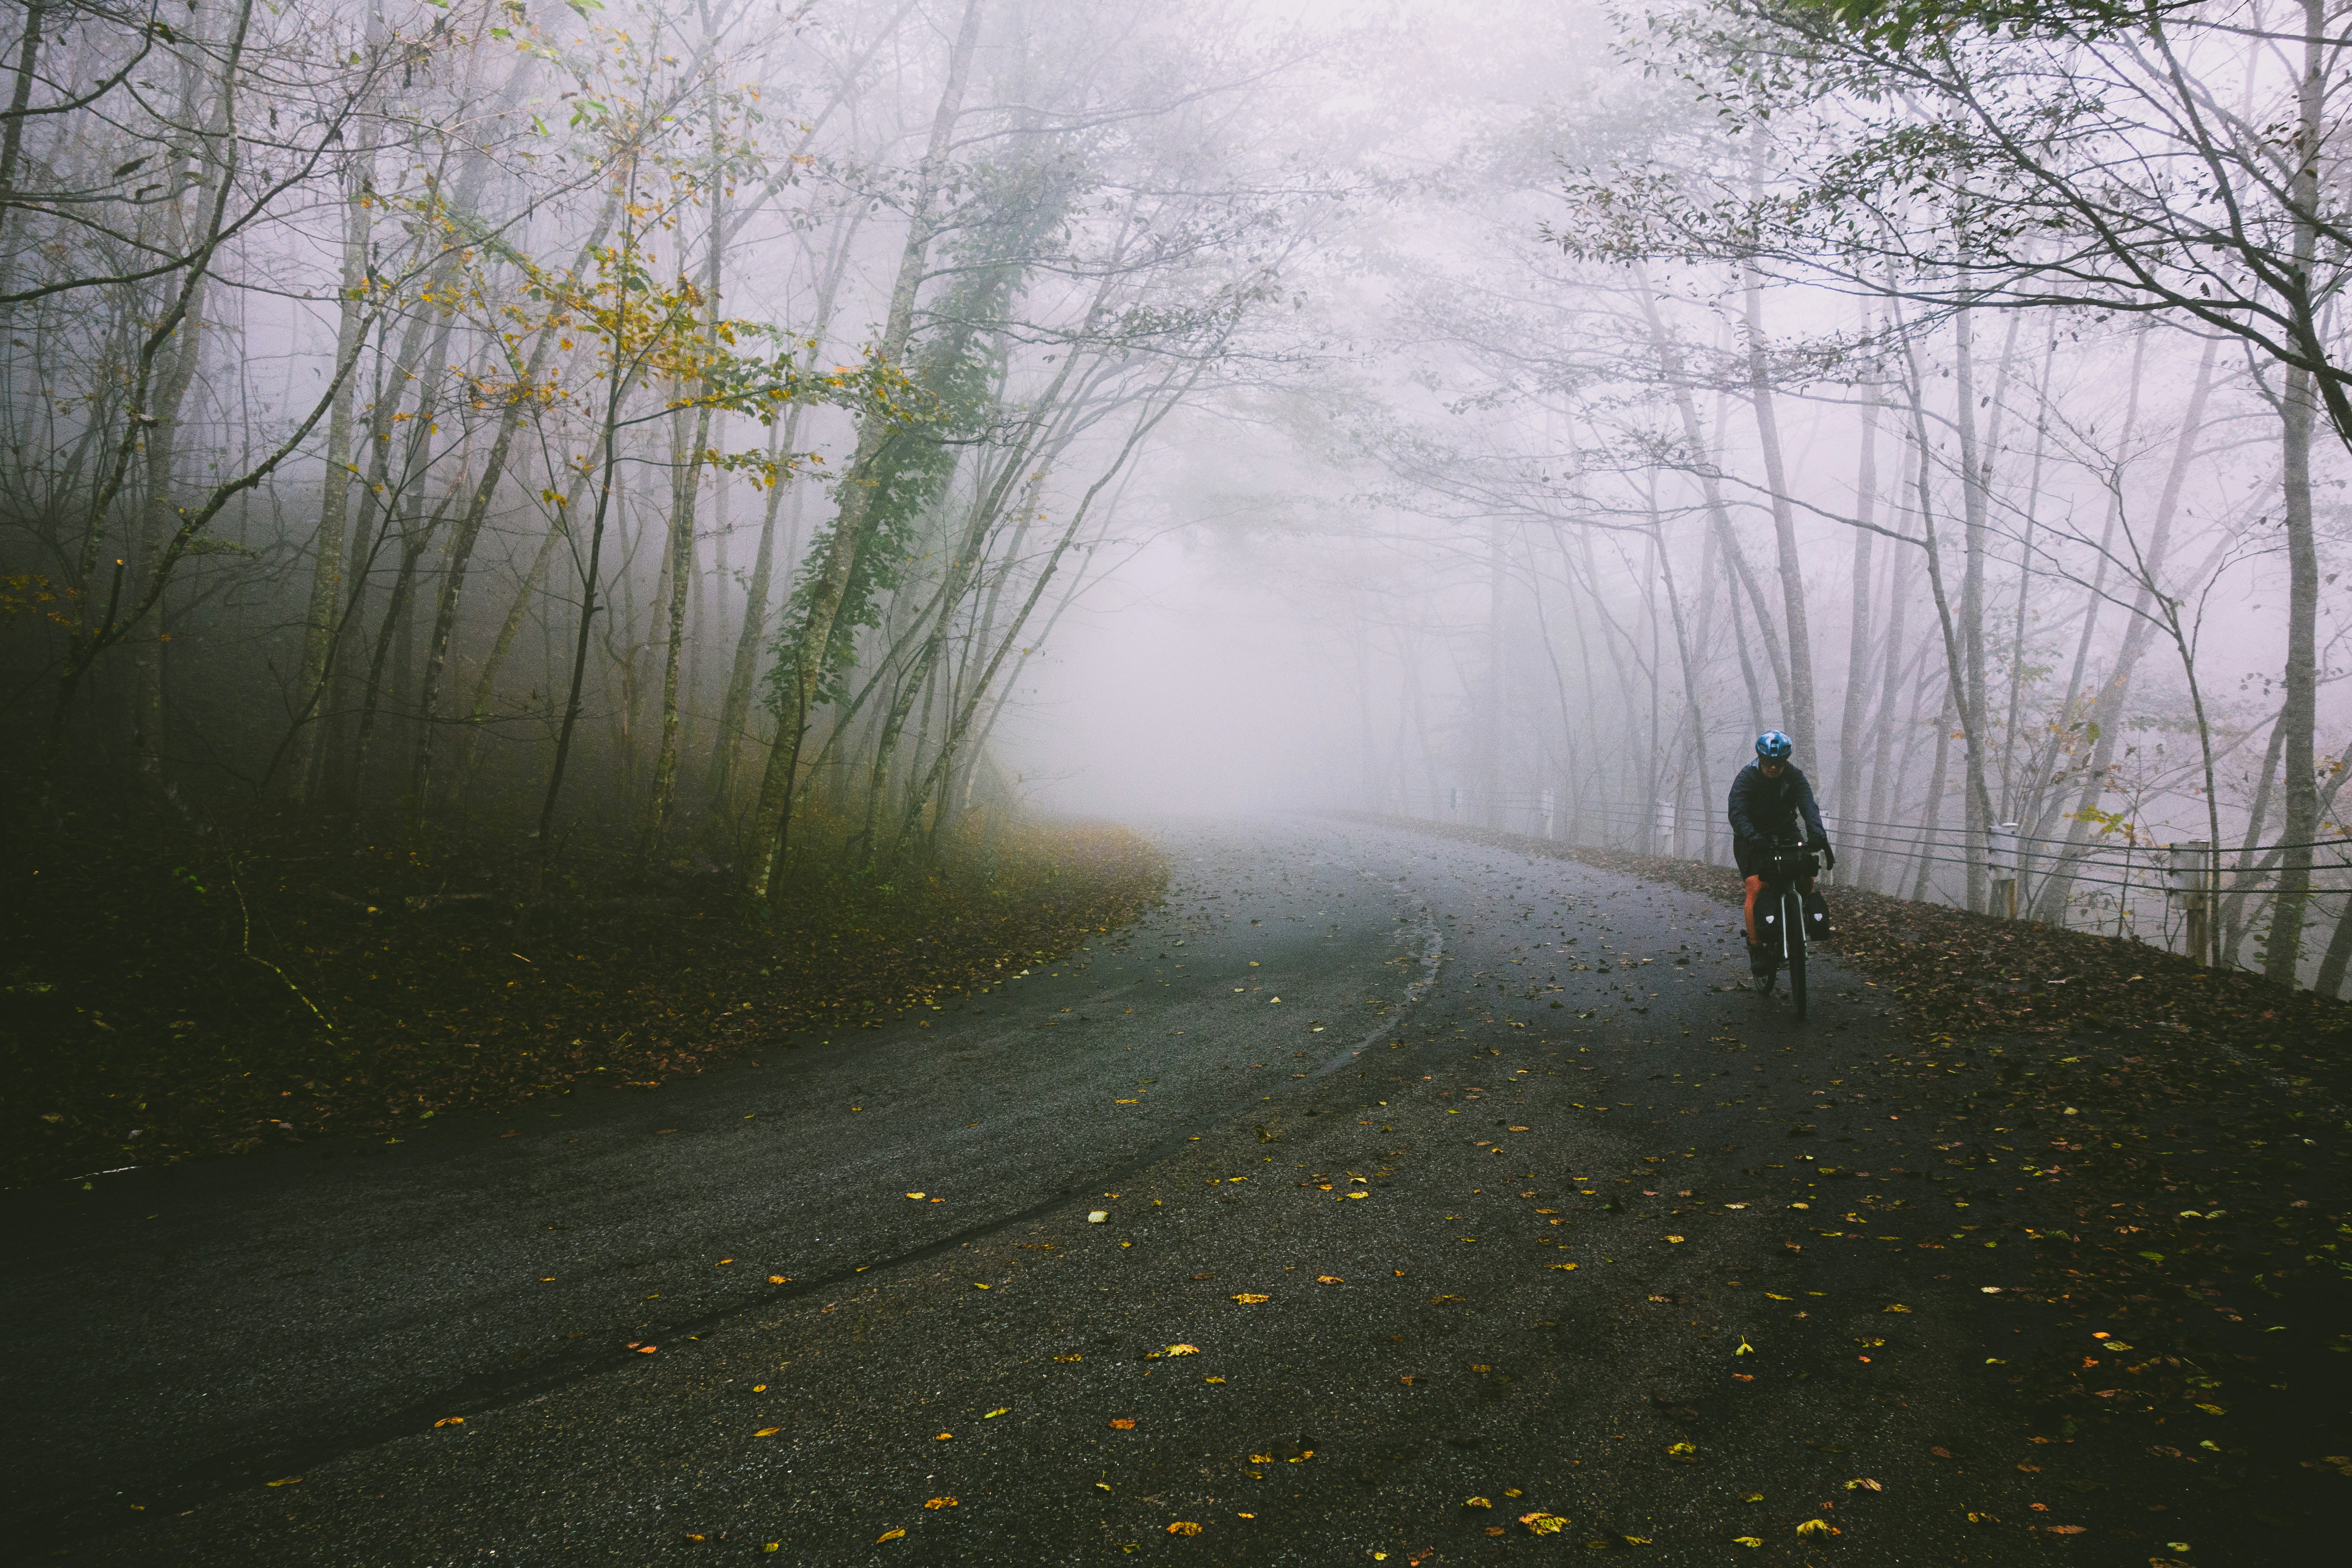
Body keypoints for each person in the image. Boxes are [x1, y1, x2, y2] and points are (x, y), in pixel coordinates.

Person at [1727, 730, 1835, 986]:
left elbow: (1809, 806)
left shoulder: (1794, 776)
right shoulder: (1747, 777)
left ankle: (1801, 914)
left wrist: (1817, 833)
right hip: (1751, 837)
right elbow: (1737, 812)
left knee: (1805, 873)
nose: (1774, 768)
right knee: (1756, 886)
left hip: (1785, 831)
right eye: (1768, 763)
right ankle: (1757, 948)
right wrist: (1752, 836)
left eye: (1779, 763)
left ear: (1787, 760)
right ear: (1760, 759)